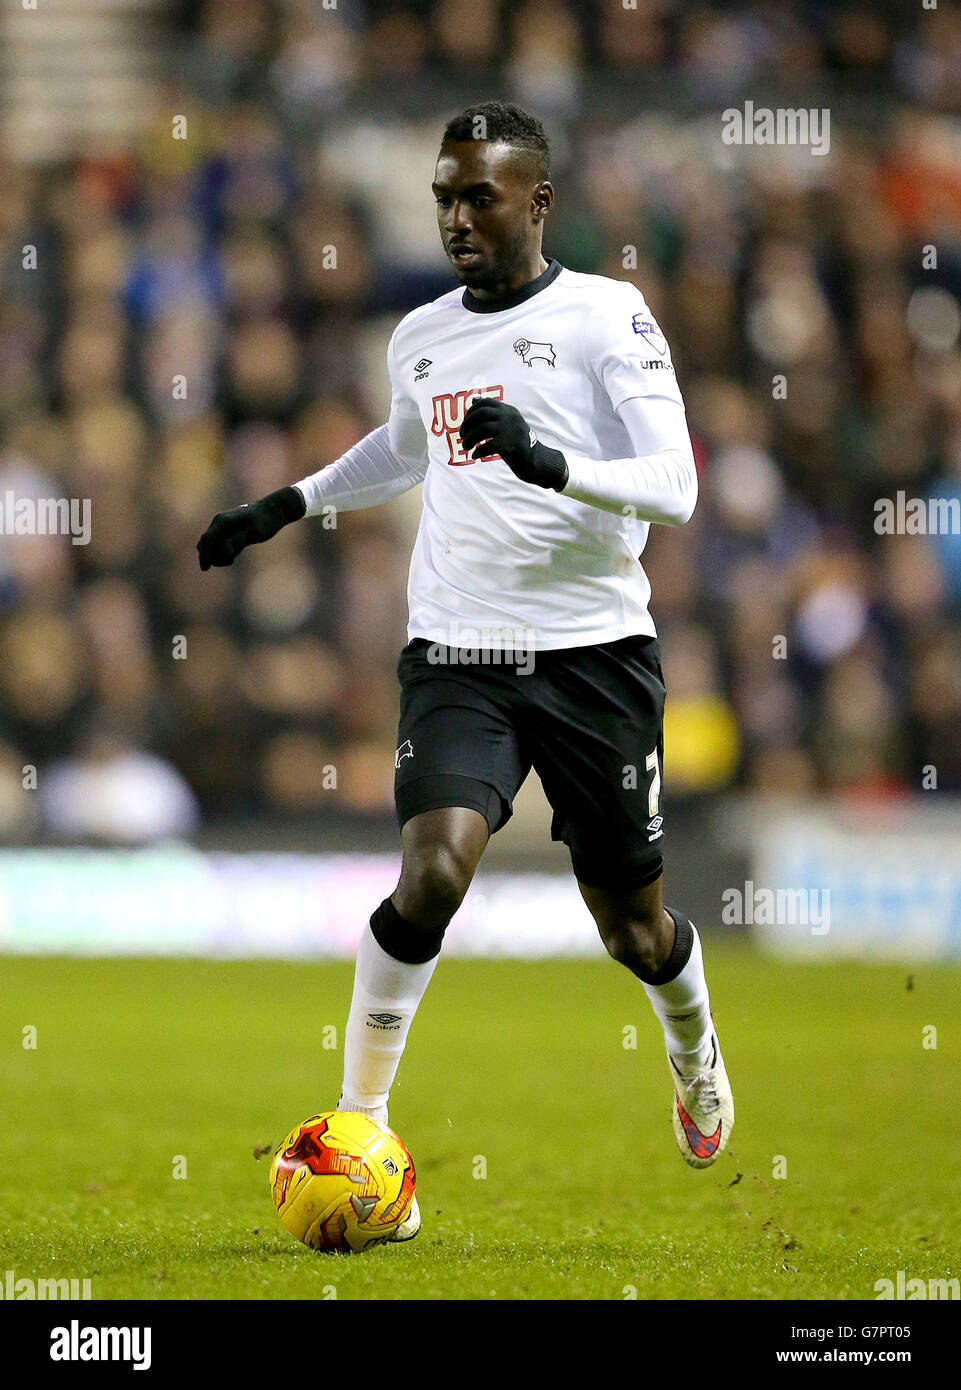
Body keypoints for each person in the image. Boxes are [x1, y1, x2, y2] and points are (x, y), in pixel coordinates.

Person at [198, 101, 734, 1243]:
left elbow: (676, 484)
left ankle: (690, 1047)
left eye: (476, 195)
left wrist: (549, 461)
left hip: (596, 655)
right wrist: (288, 503)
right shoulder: (422, 334)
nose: (453, 216)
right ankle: (358, 1126)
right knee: (432, 871)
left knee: (633, 930)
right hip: (459, 653)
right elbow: (407, 443)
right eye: (443, 194)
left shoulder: (607, 317)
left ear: (536, 201)